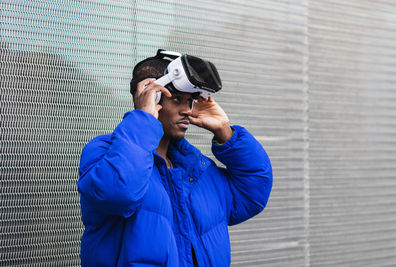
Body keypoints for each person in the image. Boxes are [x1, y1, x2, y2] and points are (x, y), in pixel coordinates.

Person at [77, 50, 273, 267]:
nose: (187, 110)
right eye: (177, 99)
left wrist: (225, 132)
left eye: (190, 101)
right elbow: (118, 193)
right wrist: (143, 119)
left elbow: (253, 192)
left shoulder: (197, 170)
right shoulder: (105, 152)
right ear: (153, 98)